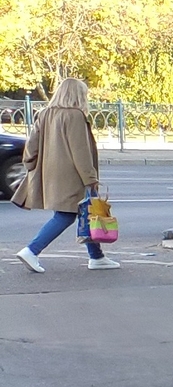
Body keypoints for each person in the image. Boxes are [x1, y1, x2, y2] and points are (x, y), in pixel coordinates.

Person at [12, 76, 114, 272]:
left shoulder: (44, 114)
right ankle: (32, 250)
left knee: (88, 213)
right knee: (66, 215)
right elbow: (80, 152)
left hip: (51, 174)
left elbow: (30, 148)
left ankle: (97, 256)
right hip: (73, 176)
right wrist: (90, 179)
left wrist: (31, 165)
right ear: (78, 95)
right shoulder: (75, 116)